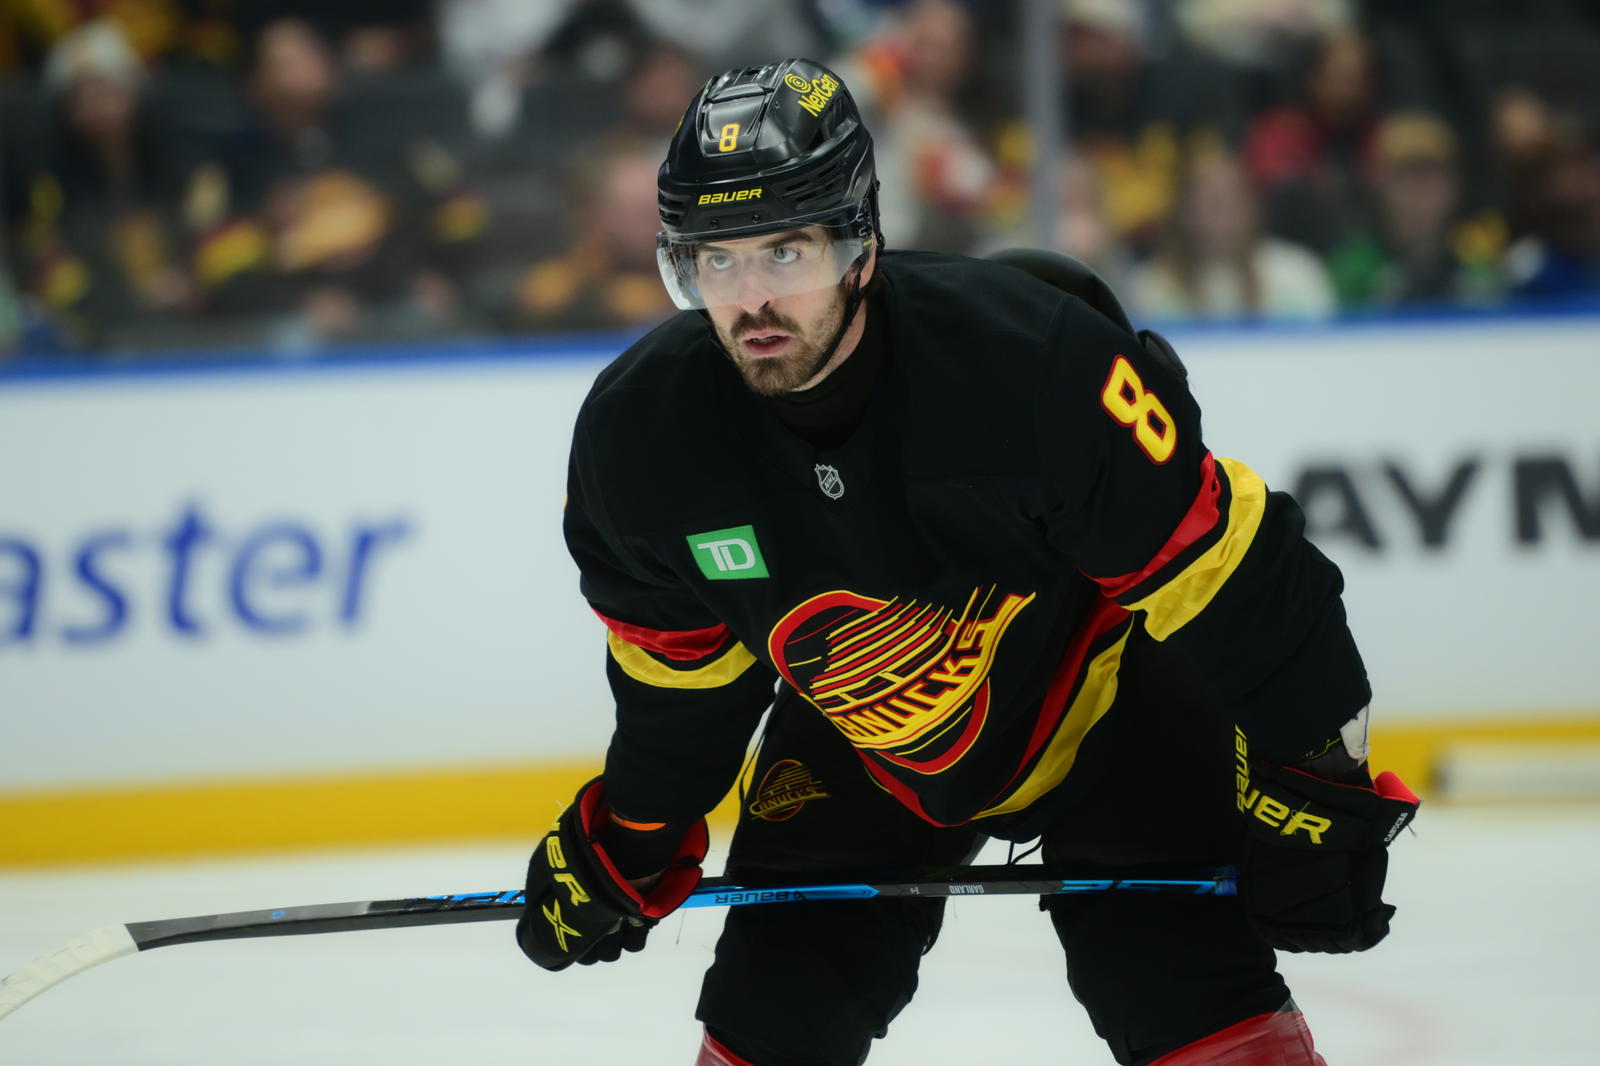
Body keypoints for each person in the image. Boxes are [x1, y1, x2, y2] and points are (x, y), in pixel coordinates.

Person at [515, 58, 1420, 1066]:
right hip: (860, 733)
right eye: (715, 262)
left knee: (1173, 976)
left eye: (785, 251)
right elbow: (678, 686)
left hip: (1107, 699)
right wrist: (631, 834)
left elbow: (1240, 573)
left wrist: (1318, 780)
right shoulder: (638, 439)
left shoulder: (1032, 366)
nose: (752, 300)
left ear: (860, 241)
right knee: (776, 1004)